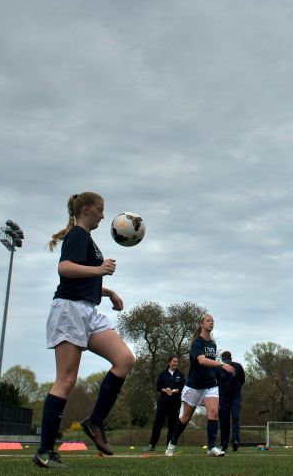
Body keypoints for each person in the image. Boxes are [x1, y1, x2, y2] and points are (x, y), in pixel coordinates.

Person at [33, 192, 136, 468]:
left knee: (125, 360)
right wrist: (100, 270)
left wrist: (108, 291)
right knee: (65, 381)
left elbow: (83, 278)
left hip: (87, 310)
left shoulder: (87, 240)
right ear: (87, 209)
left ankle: (95, 422)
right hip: (69, 311)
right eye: (100, 210)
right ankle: (44, 452)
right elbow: (65, 268)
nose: (104, 215)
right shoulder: (77, 235)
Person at [166, 314, 234, 457]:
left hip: (210, 386)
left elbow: (211, 364)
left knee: (213, 413)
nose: (211, 323)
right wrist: (222, 364)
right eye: (208, 321)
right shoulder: (197, 342)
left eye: (213, 321)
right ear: (201, 324)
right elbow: (202, 361)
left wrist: (216, 376)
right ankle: (172, 443)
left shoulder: (212, 344)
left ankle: (211, 448)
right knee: (185, 418)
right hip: (194, 386)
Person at [145, 356, 184, 451]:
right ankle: (152, 445)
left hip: (175, 402)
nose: (176, 363)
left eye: (177, 362)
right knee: (158, 422)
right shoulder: (162, 374)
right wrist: (166, 390)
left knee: (173, 424)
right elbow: (158, 387)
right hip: (163, 402)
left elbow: (182, 387)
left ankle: (169, 445)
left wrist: (173, 391)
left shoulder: (180, 374)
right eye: (174, 361)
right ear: (169, 363)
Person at [217, 350, 245, 452]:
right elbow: (215, 382)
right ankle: (224, 445)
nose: (227, 363)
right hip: (223, 397)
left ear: (231, 360)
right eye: (225, 361)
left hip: (235, 397)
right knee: (224, 420)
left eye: (228, 361)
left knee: (235, 417)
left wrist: (236, 389)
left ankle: (235, 440)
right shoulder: (218, 369)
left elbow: (242, 379)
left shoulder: (238, 367)